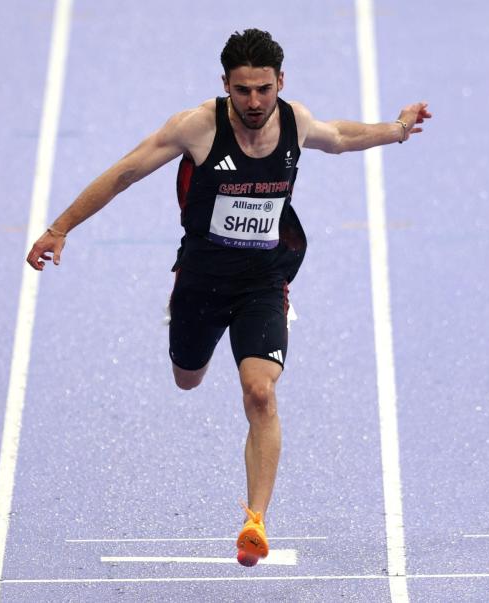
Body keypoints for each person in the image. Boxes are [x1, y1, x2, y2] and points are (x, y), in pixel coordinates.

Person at [26, 28, 431, 567]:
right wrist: (60, 227)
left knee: (259, 391)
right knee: (187, 378)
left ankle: (255, 522)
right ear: (226, 86)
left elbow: (340, 136)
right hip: (199, 280)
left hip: (264, 281)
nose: (255, 102)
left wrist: (399, 129)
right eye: (243, 91)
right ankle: (190, 326)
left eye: (264, 89)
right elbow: (125, 172)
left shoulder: (295, 121)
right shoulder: (196, 127)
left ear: (280, 82)